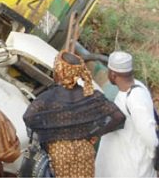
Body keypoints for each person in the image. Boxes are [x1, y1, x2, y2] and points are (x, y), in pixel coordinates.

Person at [23, 50, 126, 178]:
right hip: (85, 150)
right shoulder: (91, 95)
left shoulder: (48, 97)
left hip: (59, 152)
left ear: (60, 71)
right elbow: (119, 117)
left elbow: (28, 117)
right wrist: (95, 134)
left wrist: (48, 133)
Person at [96, 51, 158, 177]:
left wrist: (154, 160)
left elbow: (149, 136)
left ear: (113, 75)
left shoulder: (135, 98)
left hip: (133, 167)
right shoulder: (132, 88)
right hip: (120, 163)